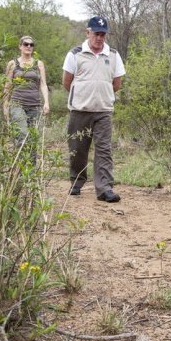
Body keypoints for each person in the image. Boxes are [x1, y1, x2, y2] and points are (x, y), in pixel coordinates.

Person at [62, 16, 126, 203]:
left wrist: (101, 94)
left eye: (103, 34)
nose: (99, 38)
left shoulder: (113, 54)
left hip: (104, 110)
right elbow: (67, 82)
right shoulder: (75, 54)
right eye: (96, 34)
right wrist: (83, 94)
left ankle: (104, 188)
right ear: (87, 32)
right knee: (78, 149)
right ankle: (76, 182)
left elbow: (117, 83)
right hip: (80, 109)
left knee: (104, 150)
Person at [3, 35, 50, 142]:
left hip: (35, 105)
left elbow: (43, 84)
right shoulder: (13, 64)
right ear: (20, 46)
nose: (29, 46)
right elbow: (7, 85)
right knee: (22, 134)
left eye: (31, 45)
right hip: (17, 104)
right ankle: (20, 158)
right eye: (26, 44)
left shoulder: (39, 64)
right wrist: (5, 104)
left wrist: (46, 102)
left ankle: (32, 159)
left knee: (33, 138)